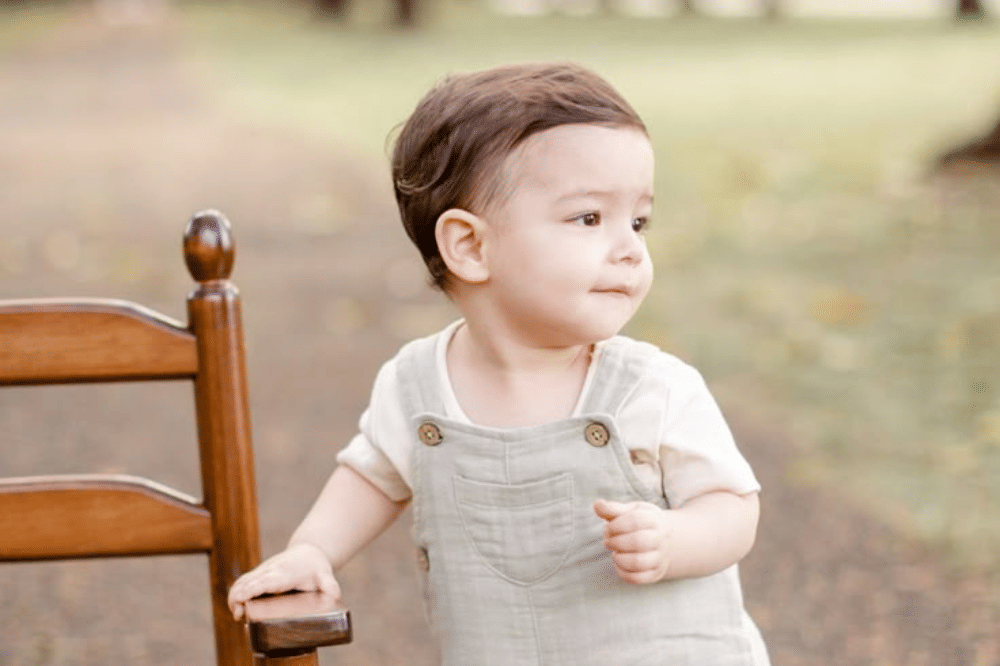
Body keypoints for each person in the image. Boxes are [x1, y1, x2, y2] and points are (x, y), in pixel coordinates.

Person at [228, 62, 770, 665]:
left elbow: (733, 508)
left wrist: (677, 540)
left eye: (638, 220)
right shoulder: (416, 387)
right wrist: (313, 550)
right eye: (589, 218)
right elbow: (371, 475)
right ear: (470, 247)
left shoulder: (652, 388)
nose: (630, 248)